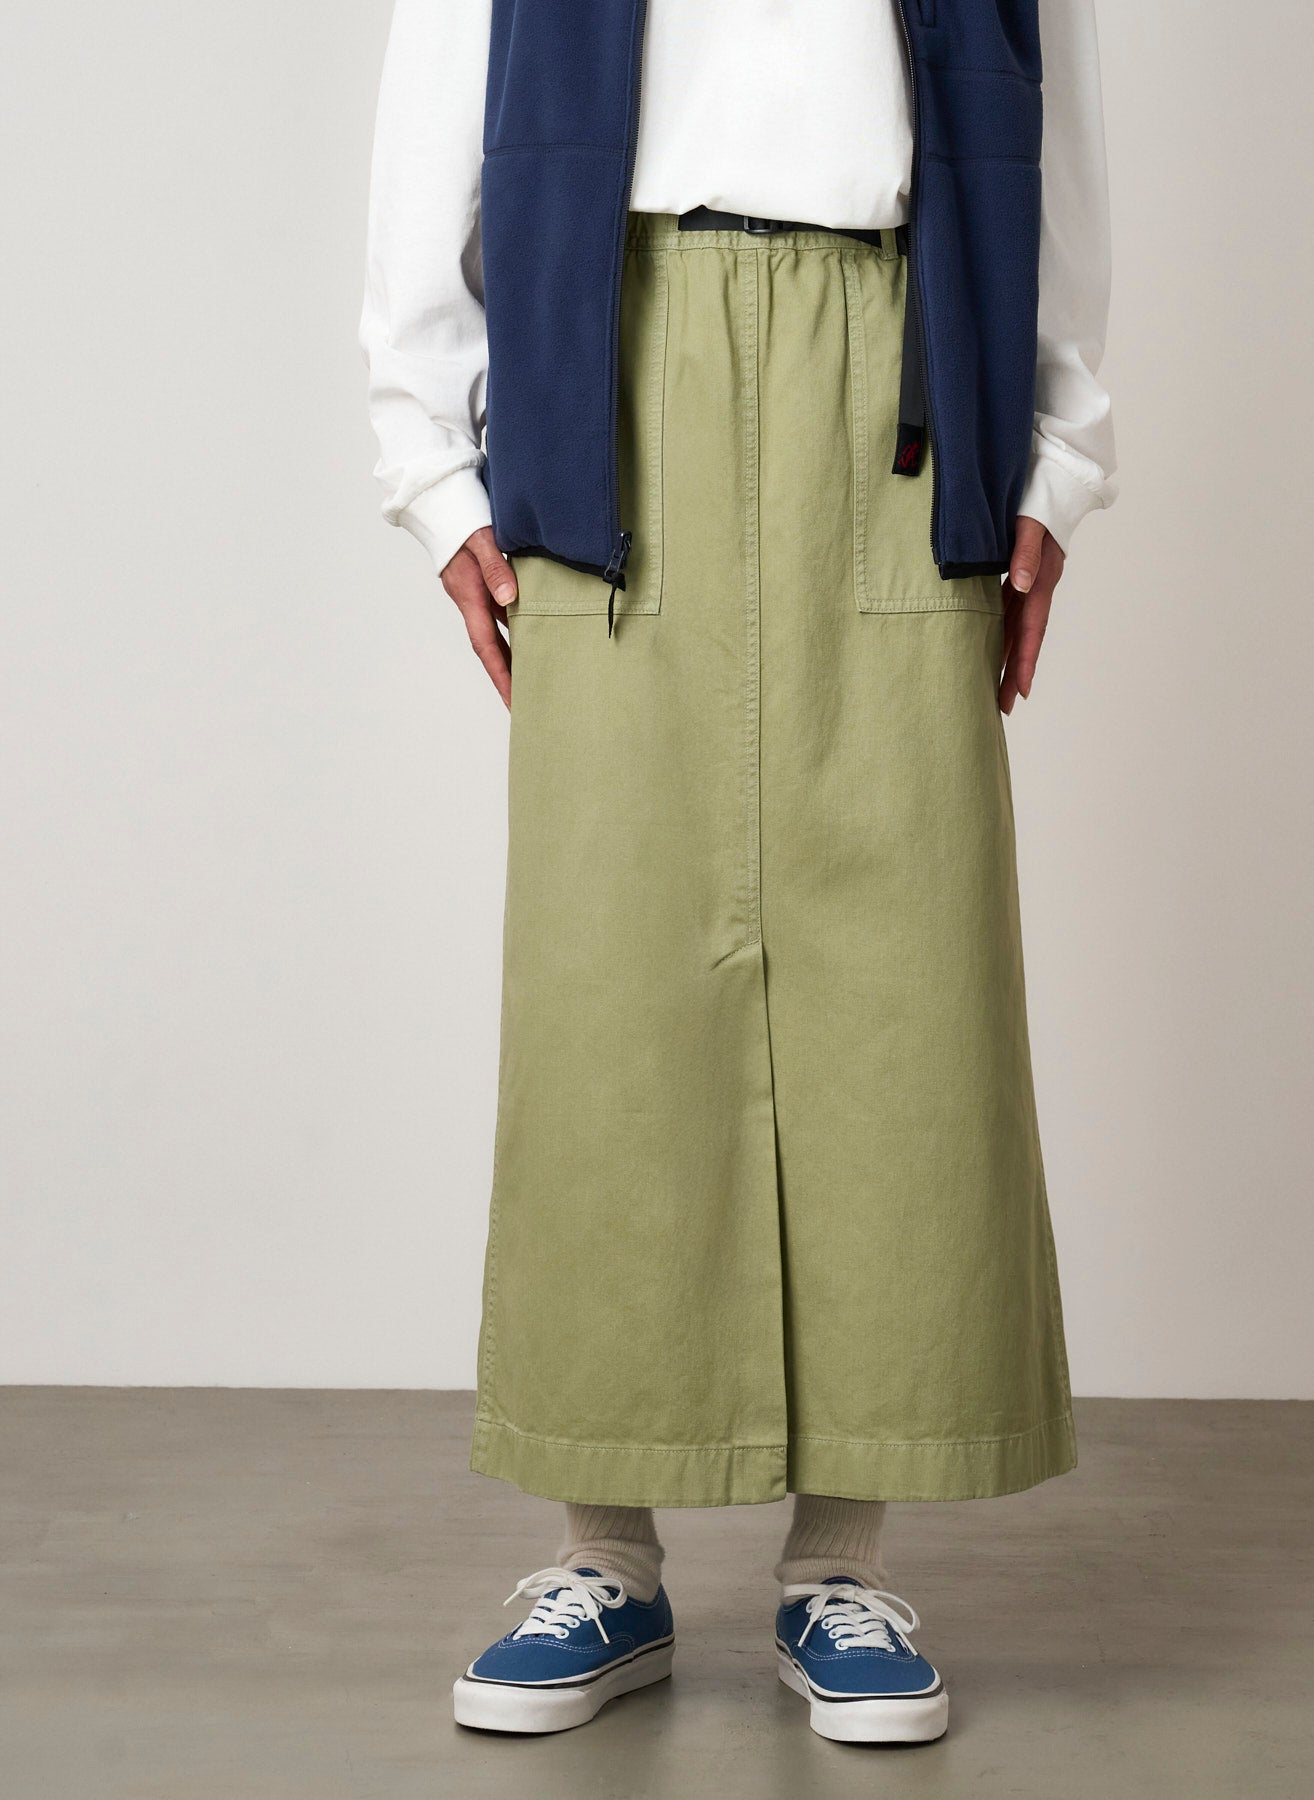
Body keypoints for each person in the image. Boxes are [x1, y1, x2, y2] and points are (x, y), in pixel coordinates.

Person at [361, 0, 1116, 1747]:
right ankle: (603, 1557)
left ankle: (841, 1562)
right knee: (612, 972)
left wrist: (1061, 458)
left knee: (901, 970)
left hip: (904, 353)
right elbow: (445, 84)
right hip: (608, 348)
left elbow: (1055, 109)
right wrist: (429, 460)